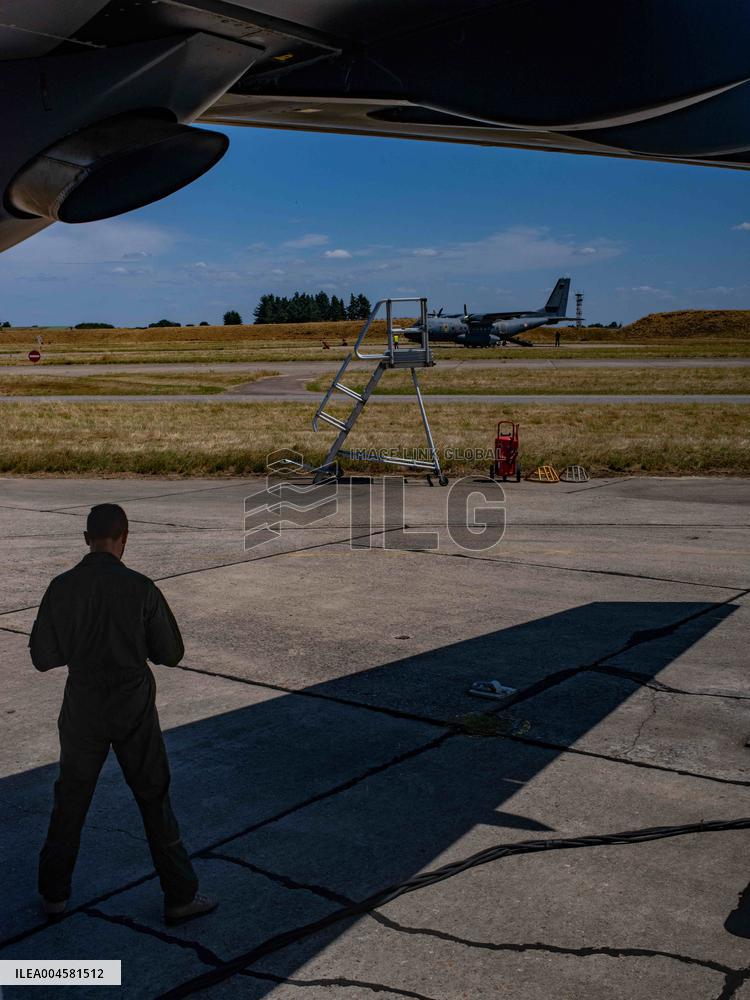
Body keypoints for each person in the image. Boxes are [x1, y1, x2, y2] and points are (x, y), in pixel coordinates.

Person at [29, 503, 217, 926]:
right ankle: (179, 896)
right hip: (133, 711)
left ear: (86, 540)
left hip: (82, 709)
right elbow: (171, 653)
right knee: (153, 798)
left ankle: (53, 894)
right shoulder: (141, 587)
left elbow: (42, 657)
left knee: (71, 800)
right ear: (125, 538)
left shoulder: (61, 587)